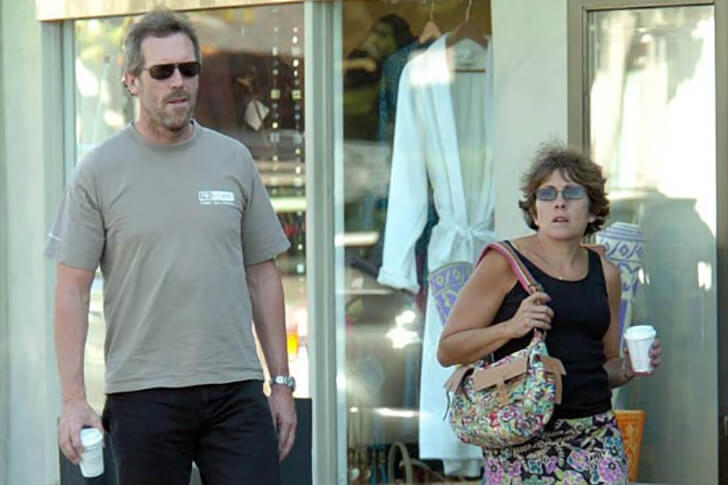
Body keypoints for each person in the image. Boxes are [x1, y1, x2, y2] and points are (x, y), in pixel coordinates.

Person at [45, 10, 295, 485]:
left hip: (234, 389)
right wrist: (73, 399)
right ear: (131, 81)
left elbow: (263, 277)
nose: (178, 82)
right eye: (162, 71)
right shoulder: (98, 172)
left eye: (188, 68)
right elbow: (71, 291)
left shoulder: (233, 160)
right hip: (144, 394)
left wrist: (280, 383)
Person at [437, 144, 663, 484]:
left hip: (595, 438)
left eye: (572, 193)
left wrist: (627, 368)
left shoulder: (606, 274)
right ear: (534, 210)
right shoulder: (503, 263)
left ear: (592, 210)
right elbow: (448, 349)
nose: (559, 203)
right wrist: (511, 327)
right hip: (520, 440)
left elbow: (605, 366)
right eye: (547, 194)